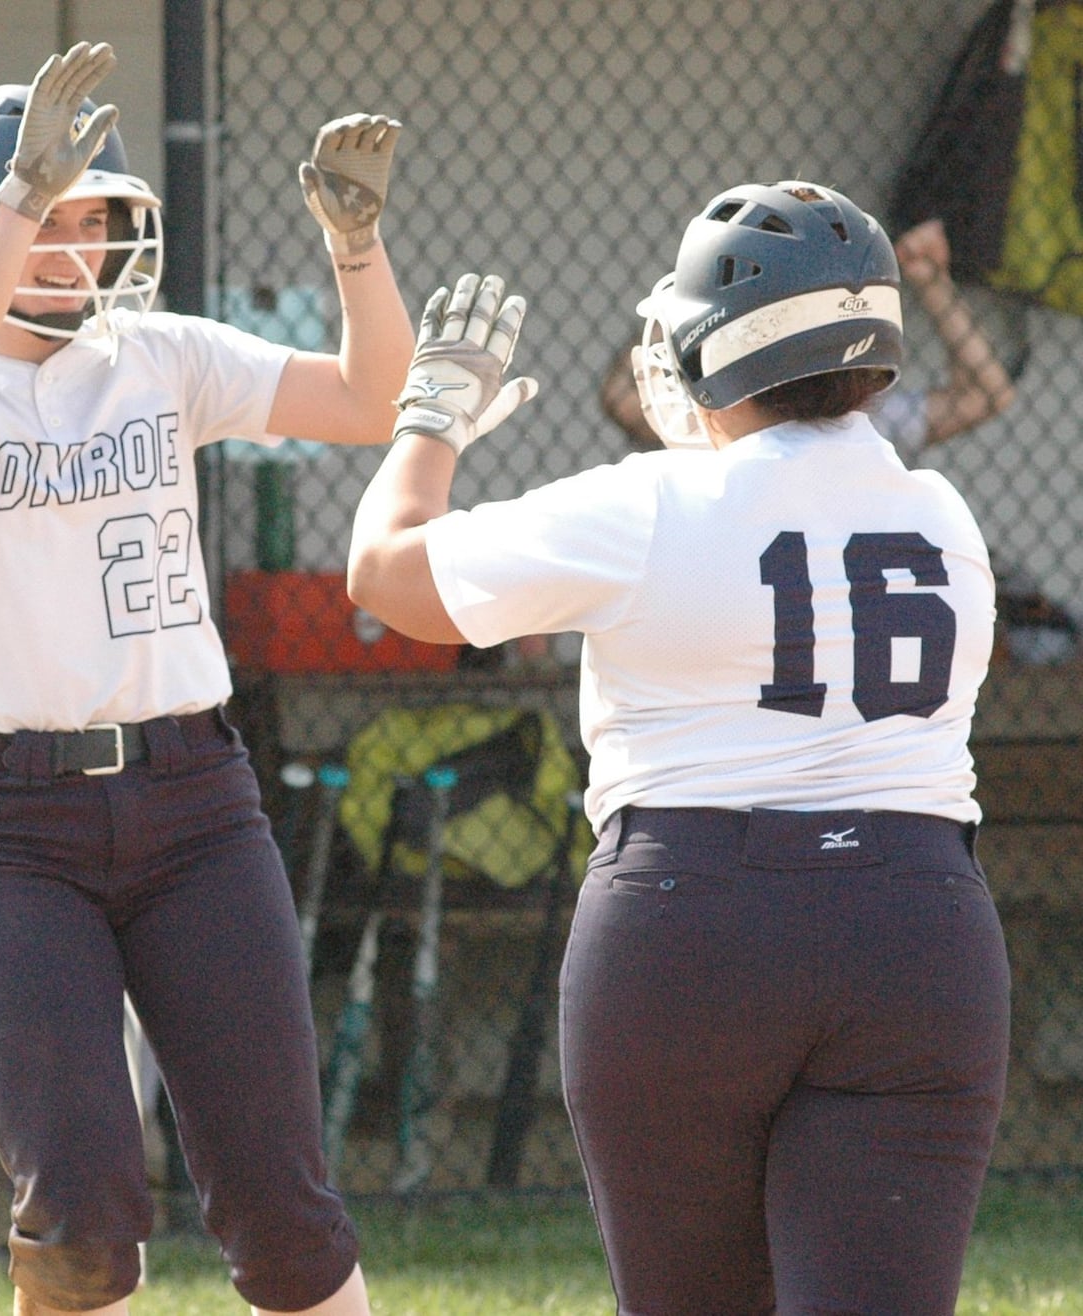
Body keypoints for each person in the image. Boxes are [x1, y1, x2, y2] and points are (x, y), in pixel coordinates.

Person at [346, 182, 1010, 1314]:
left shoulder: (648, 500)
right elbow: (786, 517)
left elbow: (385, 574)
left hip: (693, 923)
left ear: (715, 350)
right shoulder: (943, 513)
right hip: (917, 925)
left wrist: (432, 418)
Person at [0, 41, 413, 1316]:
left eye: (95, 219)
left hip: (194, 802)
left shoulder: (154, 355)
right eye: (58, 216)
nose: (79, 246)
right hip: (7, 825)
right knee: (80, 1211)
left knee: (279, 1204)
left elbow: (372, 399)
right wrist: (18, 211)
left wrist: (357, 249)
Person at [600, 214, 1017, 458]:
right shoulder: (728, 408)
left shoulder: (857, 418)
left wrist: (686, 297)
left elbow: (983, 396)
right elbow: (621, 400)